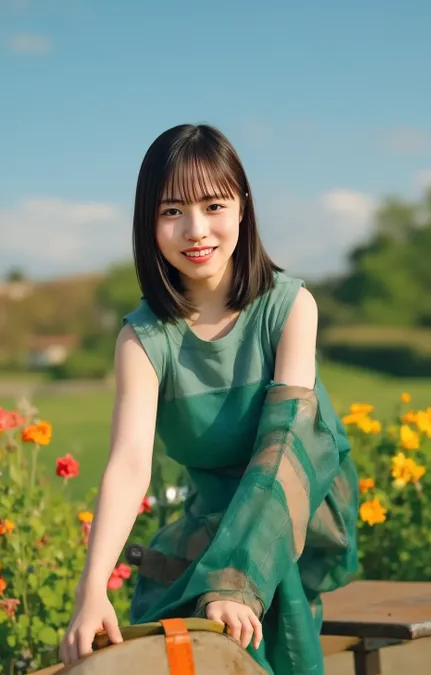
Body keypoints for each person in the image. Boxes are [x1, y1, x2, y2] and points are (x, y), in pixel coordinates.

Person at [59, 124, 358, 674]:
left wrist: (235, 581)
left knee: (245, 610)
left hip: (301, 501)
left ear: (243, 208)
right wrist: (91, 588)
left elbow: (288, 442)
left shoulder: (289, 307)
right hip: (216, 511)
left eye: (213, 205)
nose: (195, 230)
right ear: (148, 223)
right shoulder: (143, 338)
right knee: (162, 614)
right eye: (171, 211)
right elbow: (129, 466)